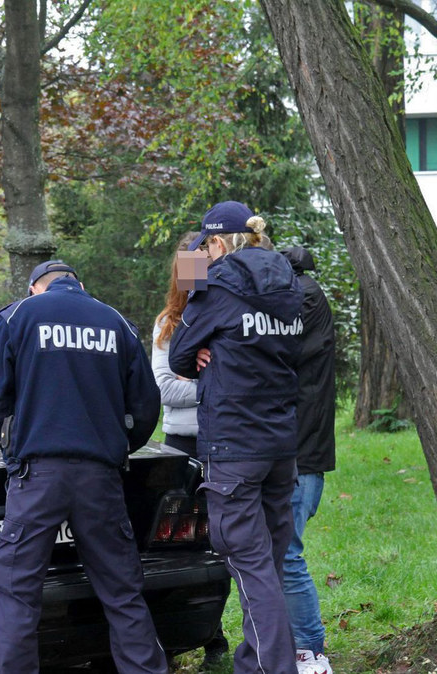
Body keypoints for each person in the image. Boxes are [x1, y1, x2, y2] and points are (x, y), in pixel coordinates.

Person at [0, 260, 166, 674]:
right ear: (80, 285)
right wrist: (120, 446)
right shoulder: (115, 321)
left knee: (18, 590)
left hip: (37, 475)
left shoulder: (18, 316)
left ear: (35, 289)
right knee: (122, 590)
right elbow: (146, 404)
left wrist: (16, 445)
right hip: (100, 475)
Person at [168, 201, 303, 674]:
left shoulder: (219, 285)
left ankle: (269, 668)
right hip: (281, 446)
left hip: (234, 447)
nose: (201, 254)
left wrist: (206, 344)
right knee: (268, 563)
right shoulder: (289, 284)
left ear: (219, 243)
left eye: (205, 245)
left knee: (250, 565)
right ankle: (259, 658)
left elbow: (179, 354)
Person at [151, 232, 230, 666]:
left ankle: (215, 634)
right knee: (184, 543)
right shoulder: (167, 323)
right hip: (181, 444)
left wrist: (200, 380)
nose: (194, 271)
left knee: (222, 539)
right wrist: (208, 381)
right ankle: (194, 633)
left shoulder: (225, 314)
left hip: (221, 439)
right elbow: (164, 387)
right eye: (188, 263)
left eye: (201, 260)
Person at [279, 246, 336, 674]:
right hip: (296, 452)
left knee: (286, 554)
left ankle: (310, 649)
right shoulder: (305, 293)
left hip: (299, 456)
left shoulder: (304, 297)